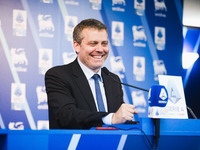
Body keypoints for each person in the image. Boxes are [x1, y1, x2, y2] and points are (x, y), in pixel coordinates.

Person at [45, 19, 137, 129]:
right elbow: (66, 116)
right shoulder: (58, 75)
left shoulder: (113, 79)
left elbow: (118, 121)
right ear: (77, 46)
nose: (100, 49)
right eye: (93, 43)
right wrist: (109, 118)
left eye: (104, 43)